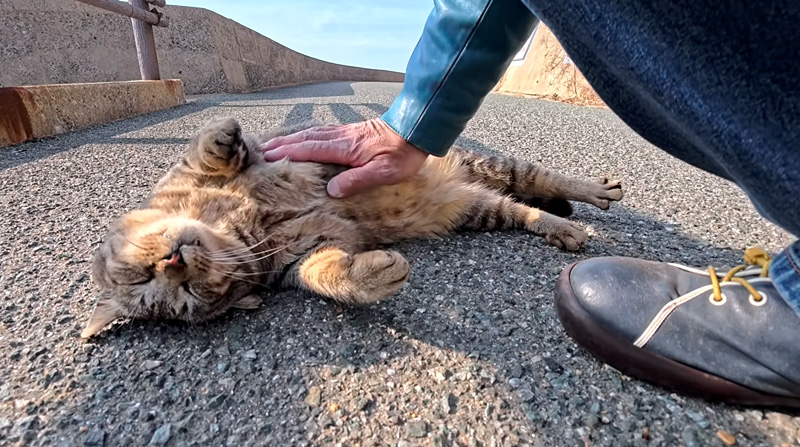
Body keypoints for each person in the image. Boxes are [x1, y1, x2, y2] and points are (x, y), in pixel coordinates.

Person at [260, 0, 800, 408]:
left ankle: (571, 189)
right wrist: (414, 120)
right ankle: (540, 210)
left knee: (502, 173)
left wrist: (411, 121)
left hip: (415, 176)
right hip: (427, 202)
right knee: (484, 204)